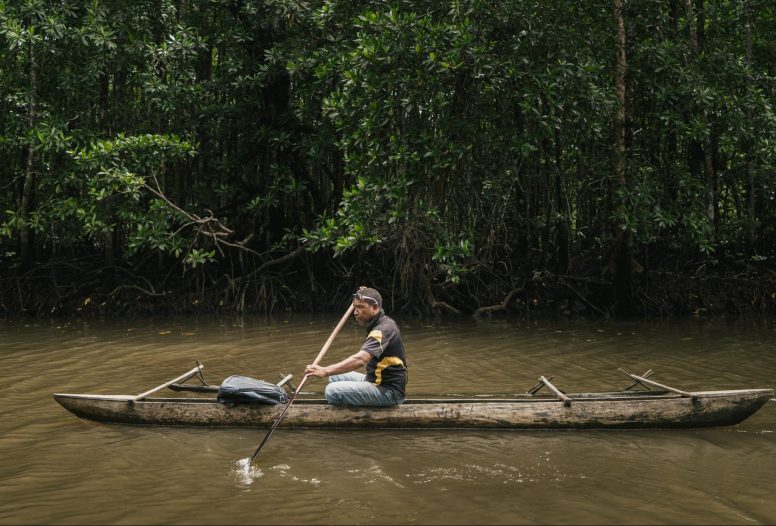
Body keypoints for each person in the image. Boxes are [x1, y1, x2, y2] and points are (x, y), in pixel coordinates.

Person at [304, 287, 407, 406]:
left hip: (388, 392)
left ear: (374, 308)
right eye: (355, 307)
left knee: (331, 391)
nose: (355, 312)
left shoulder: (383, 330)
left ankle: (355, 416)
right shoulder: (380, 321)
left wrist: (326, 370)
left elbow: (360, 360)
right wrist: (363, 293)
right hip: (373, 380)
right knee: (334, 377)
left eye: (360, 307)